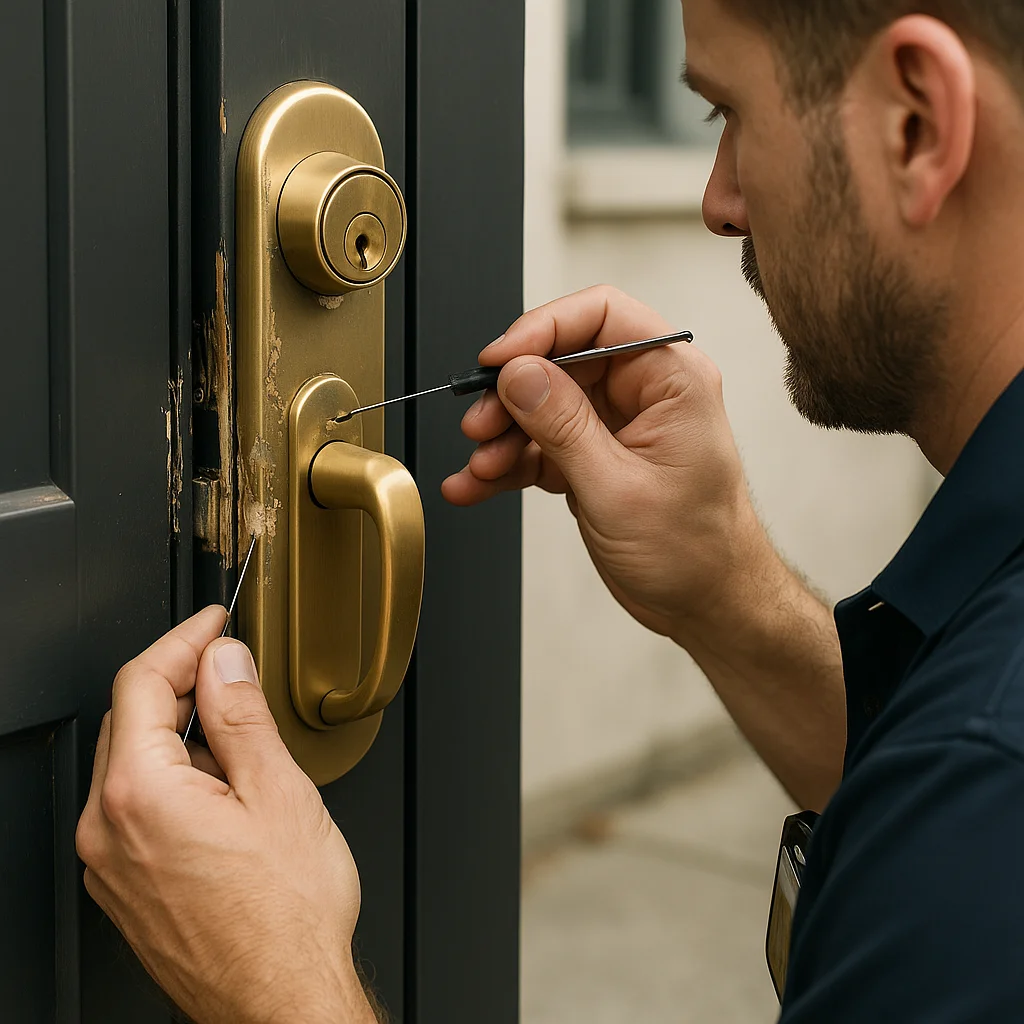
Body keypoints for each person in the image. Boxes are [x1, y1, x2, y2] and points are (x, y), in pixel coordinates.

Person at [76, 0, 1024, 1019]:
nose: (718, 202)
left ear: (916, 125)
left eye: (727, 115)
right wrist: (722, 590)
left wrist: (277, 982)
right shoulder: (967, 767)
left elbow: (951, 788)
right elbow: (911, 773)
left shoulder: (981, 805)